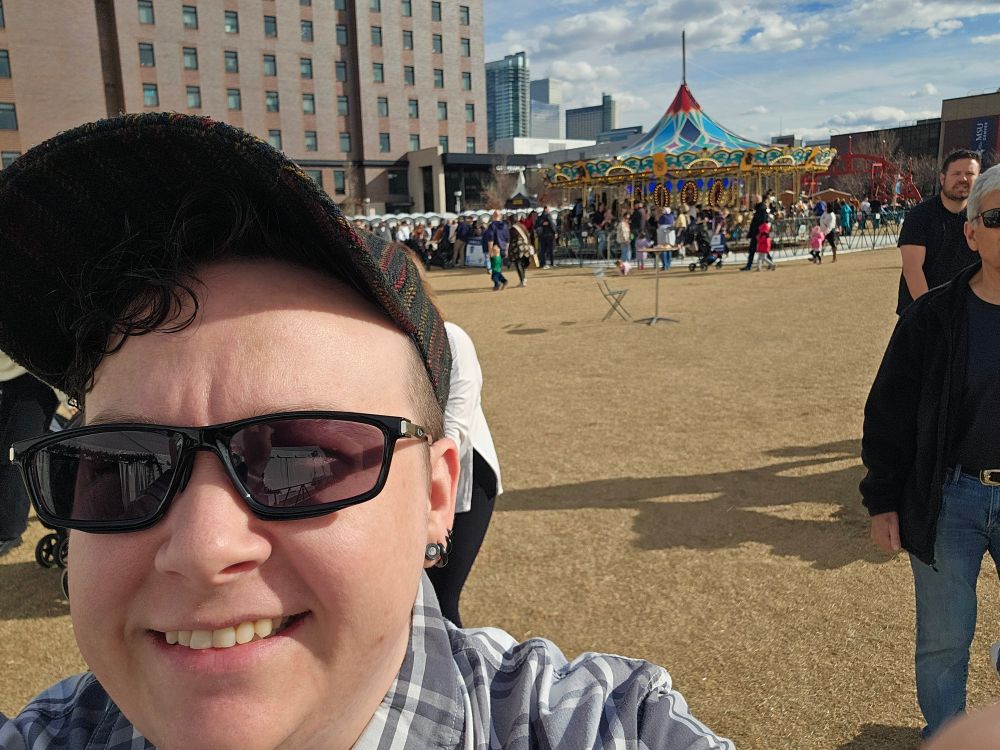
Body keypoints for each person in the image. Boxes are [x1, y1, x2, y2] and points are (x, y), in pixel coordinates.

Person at [0, 114, 733, 750]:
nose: (202, 548)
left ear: (437, 494)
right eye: (123, 467)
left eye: (301, 458)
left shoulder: (593, 727)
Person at [860, 163, 1000, 741]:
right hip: (952, 499)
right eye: (997, 217)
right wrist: (882, 501)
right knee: (944, 639)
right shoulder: (933, 316)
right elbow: (888, 413)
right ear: (971, 232)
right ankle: (947, 735)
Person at [897, 149, 982, 315]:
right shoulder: (920, 216)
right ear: (943, 178)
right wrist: (933, 312)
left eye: (970, 173)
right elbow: (912, 269)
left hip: (965, 312)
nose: (963, 179)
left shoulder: (982, 217)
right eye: (956, 173)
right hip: (922, 311)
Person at [0, 353, 60, 556]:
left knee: (17, 452)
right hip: (9, 375)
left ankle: (8, 531)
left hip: (38, 372)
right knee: (11, 450)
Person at [482, 210, 509, 291]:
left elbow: (491, 239)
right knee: (497, 268)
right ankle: (502, 282)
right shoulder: (505, 225)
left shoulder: (492, 226)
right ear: (500, 216)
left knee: (494, 269)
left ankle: (498, 283)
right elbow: (508, 239)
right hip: (503, 249)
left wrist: (490, 251)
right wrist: (506, 250)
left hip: (495, 249)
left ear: (493, 216)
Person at [741, 195, 767, 271]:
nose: (752, 200)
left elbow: (761, 222)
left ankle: (749, 265)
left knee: (760, 248)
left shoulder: (761, 209)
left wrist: (760, 232)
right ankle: (749, 265)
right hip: (756, 232)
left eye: (753, 199)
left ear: (757, 200)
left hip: (758, 232)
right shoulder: (758, 208)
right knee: (754, 249)